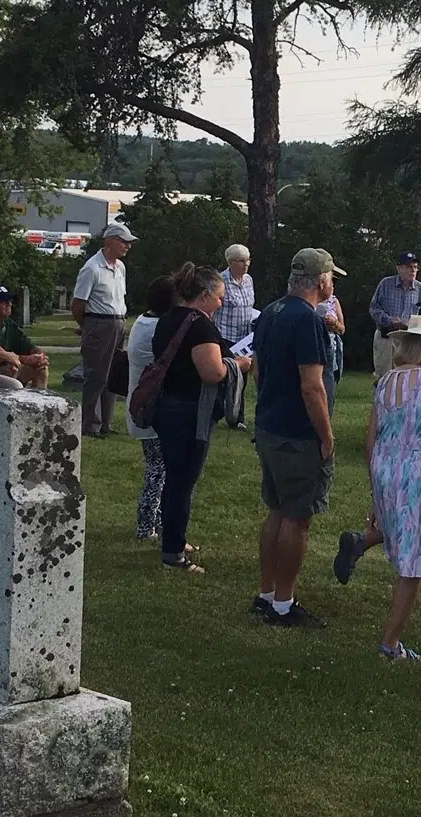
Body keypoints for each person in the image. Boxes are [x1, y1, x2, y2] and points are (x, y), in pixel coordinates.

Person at [339, 315, 421, 660]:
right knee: (415, 562)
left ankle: (362, 541)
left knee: (396, 528)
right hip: (418, 468)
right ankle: (390, 644)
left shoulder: (386, 380)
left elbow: (371, 439)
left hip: (384, 465)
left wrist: (376, 486)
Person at [251, 248, 339, 628]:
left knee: (276, 508)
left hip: (269, 425)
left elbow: (256, 367)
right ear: (321, 281)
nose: (332, 284)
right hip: (297, 433)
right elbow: (312, 387)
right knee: (297, 516)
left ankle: (266, 592)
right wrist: (326, 434)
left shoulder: (271, 312)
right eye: (331, 278)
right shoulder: (308, 320)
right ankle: (283, 604)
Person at [150, 262, 253, 573]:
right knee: (183, 481)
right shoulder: (200, 326)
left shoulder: (169, 319)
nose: (222, 303)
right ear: (205, 295)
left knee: (174, 476)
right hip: (190, 411)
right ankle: (173, 555)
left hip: (166, 406)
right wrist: (239, 366)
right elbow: (212, 373)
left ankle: (174, 538)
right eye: (220, 297)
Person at [71, 222, 135, 438]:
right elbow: (78, 303)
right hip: (99, 322)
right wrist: (88, 326)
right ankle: (90, 424)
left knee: (113, 374)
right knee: (96, 375)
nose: (127, 246)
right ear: (110, 242)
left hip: (118, 322)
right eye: (123, 242)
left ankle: (106, 423)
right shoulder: (92, 268)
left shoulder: (120, 268)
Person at [126, 276, 176, 543]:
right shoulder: (158, 328)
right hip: (150, 409)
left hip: (141, 405)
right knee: (158, 469)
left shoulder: (143, 321)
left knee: (158, 466)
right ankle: (147, 524)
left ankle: (155, 519)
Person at [368, 252, 421, 379]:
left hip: (408, 339)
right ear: (399, 268)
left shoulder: (420, 289)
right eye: (408, 267)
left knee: (407, 377)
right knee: (384, 376)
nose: (412, 270)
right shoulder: (386, 284)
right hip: (387, 337)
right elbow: (374, 308)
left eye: (415, 267)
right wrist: (390, 320)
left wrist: (413, 324)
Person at [0, 285, 49, 387]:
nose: (9, 304)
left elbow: (28, 346)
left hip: (11, 364)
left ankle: (39, 400)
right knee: (9, 370)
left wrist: (40, 356)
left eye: (10, 301)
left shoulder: (9, 324)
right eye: (4, 302)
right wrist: (25, 359)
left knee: (41, 368)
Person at [311, 259, 349, 415]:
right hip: (314, 347)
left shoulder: (334, 301)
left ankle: (327, 418)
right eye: (331, 280)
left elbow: (342, 329)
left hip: (331, 348)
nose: (333, 284)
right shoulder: (309, 300)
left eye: (334, 281)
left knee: (328, 387)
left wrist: (334, 324)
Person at [213, 244, 255, 345]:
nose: (246, 264)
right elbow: (211, 309)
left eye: (248, 260)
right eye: (242, 261)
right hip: (225, 338)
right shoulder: (220, 281)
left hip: (245, 339)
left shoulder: (248, 279)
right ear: (230, 262)